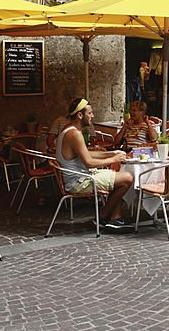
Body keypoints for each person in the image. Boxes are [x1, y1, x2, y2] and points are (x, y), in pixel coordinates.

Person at [55, 98, 133, 232]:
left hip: (81, 177)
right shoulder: (74, 134)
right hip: (79, 181)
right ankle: (102, 217)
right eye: (90, 113)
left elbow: (87, 153)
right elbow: (89, 163)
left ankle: (115, 219)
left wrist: (110, 153)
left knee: (118, 177)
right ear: (80, 115)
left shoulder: (69, 130)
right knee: (127, 179)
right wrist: (113, 159)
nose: (92, 116)